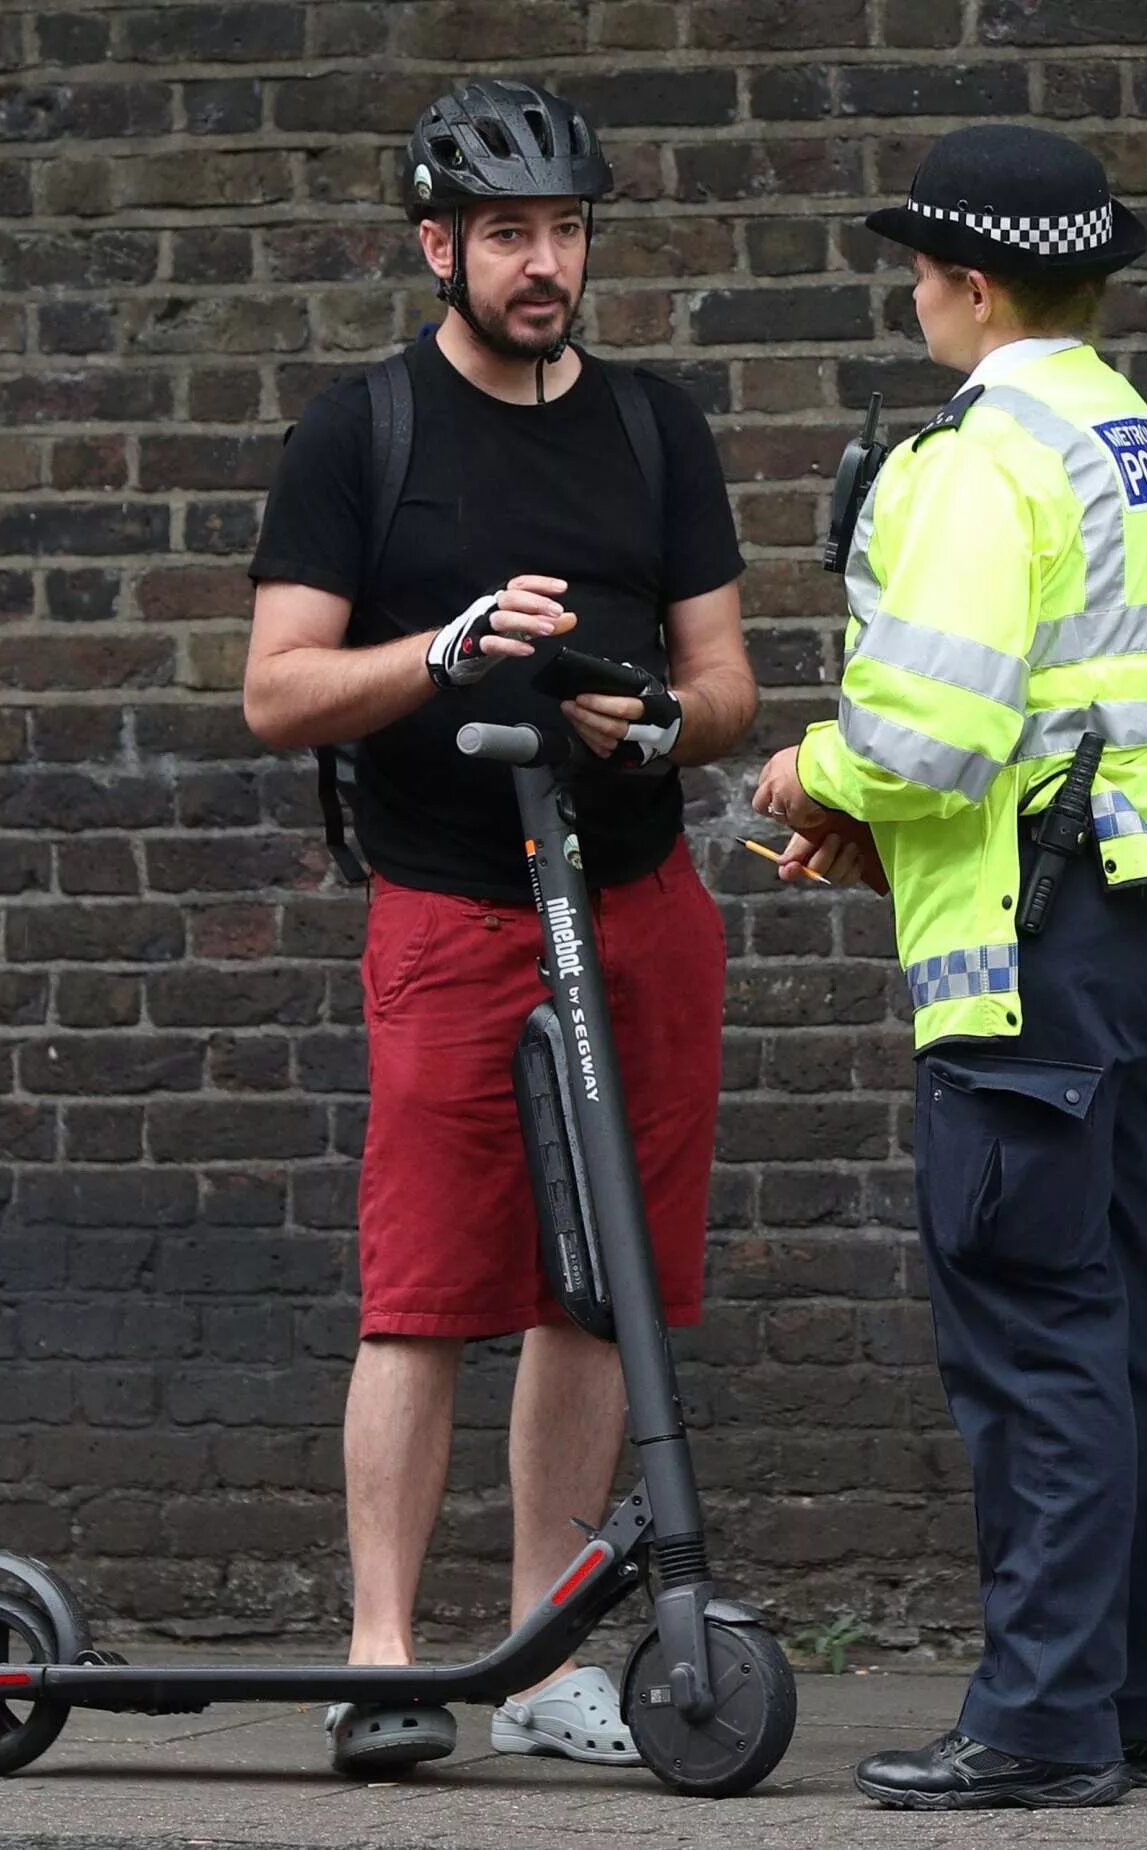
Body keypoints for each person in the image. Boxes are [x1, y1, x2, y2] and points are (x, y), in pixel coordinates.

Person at [751, 124, 1147, 1810]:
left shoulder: (977, 458)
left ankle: (1044, 1723)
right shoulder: (1142, 440)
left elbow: (933, 726)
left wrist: (811, 775)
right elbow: (1079, 707)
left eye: (919, 274)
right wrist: (897, 805)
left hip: (1038, 949)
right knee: (1123, 1313)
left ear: (973, 287)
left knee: (1032, 1329)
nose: (914, 300)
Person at [242, 79, 756, 1776]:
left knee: (597, 1290)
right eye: (511, 237)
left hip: (634, 902)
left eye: (567, 234)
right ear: (437, 246)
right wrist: (449, 646)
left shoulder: (649, 427)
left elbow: (730, 688)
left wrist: (656, 723)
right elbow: (278, 692)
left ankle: (544, 1657)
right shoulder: (360, 434)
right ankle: (381, 1656)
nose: (546, 267)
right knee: (423, 1290)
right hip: (455, 911)